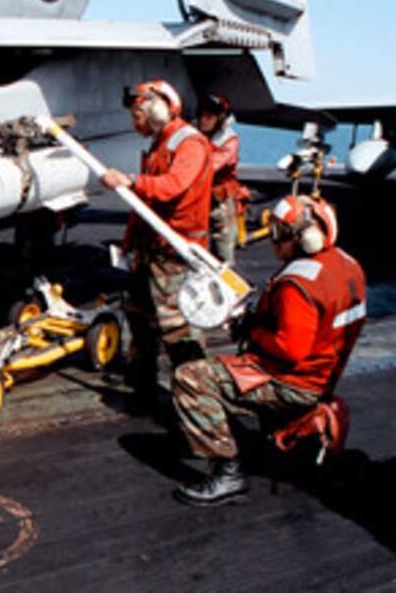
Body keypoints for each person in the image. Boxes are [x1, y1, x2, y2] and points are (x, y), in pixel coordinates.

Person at [172, 195, 366, 506]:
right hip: (323, 375)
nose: (274, 242)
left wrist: (251, 330)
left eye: (279, 234)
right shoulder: (348, 265)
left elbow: (290, 349)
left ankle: (227, 472)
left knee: (190, 378)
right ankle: (295, 424)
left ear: (302, 239)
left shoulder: (297, 284)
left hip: (293, 381)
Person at [100, 79, 214, 408]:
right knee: (140, 321)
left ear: (156, 109)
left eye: (138, 115)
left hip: (175, 255)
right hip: (149, 251)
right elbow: (145, 208)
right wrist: (128, 244)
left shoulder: (189, 143)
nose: (134, 123)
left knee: (180, 332)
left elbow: (173, 187)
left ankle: (196, 405)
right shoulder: (159, 144)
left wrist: (131, 180)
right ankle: (143, 390)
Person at [196, 93, 241, 265]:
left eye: (209, 117)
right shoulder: (199, 134)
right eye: (202, 115)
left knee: (223, 252)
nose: (203, 120)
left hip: (220, 200)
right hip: (201, 198)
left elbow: (209, 167)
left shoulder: (228, 140)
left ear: (220, 118)